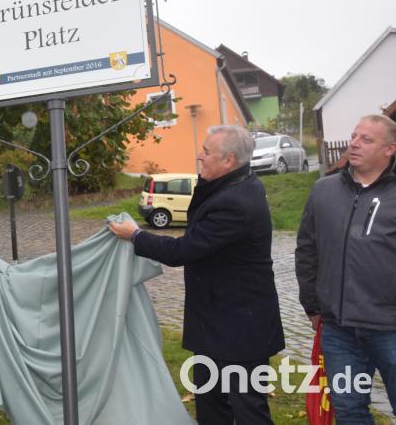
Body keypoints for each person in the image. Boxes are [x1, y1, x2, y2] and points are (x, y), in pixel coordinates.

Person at [109, 124, 285, 424]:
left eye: (206, 152)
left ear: (228, 160)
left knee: (247, 410)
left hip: (241, 328)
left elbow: (183, 250)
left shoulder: (236, 202)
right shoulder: (234, 184)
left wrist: (136, 235)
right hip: (216, 323)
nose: (199, 156)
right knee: (210, 406)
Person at [296, 114, 396, 423]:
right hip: (339, 330)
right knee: (349, 411)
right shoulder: (323, 190)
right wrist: (312, 305)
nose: (354, 144)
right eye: (354, 136)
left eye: (366, 139)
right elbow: (307, 248)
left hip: (390, 328)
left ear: (390, 149)